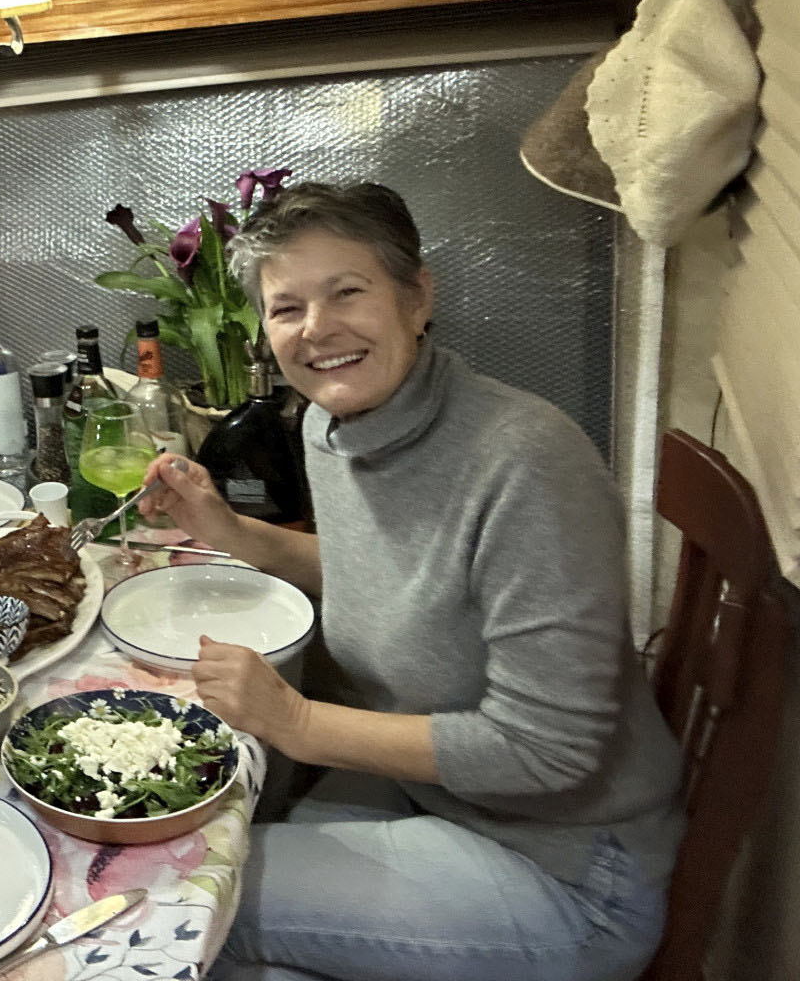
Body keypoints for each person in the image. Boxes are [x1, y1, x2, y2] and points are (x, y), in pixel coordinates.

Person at [141, 181, 683, 981]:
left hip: (568, 867)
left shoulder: (526, 461)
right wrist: (227, 530)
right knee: (222, 856)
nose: (317, 329)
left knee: (181, 904)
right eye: (287, 307)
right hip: (437, 795)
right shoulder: (331, 426)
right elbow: (392, 578)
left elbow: (547, 749)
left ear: (417, 297)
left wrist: (294, 719)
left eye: (347, 292)